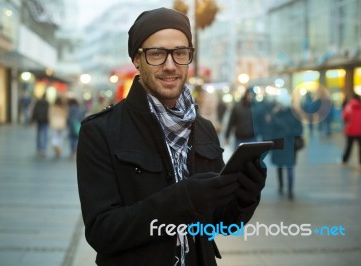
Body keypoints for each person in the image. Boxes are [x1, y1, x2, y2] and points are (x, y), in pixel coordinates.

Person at [76, 7, 267, 266]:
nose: (170, 65)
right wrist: (182, 200)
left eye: (180, 53)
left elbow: (221, 223)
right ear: (137, 59)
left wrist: (246, 196)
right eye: (156, 53)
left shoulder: (204, 129)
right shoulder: (100, 131)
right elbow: (102, 231)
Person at [266, 92, 303, 199]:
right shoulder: (277, 114)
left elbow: (299, 129)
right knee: (282, 167)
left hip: (287, 144)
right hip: (283, 145)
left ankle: (288, 189)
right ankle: (283, 187)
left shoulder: (278, 114)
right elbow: (271, 130)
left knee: (287, 167)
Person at [341, 93, 361, 169]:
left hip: (350, 130)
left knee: (349, 146)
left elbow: (344, 117)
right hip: (360, 130)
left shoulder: (348, 106)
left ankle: (344, 161)